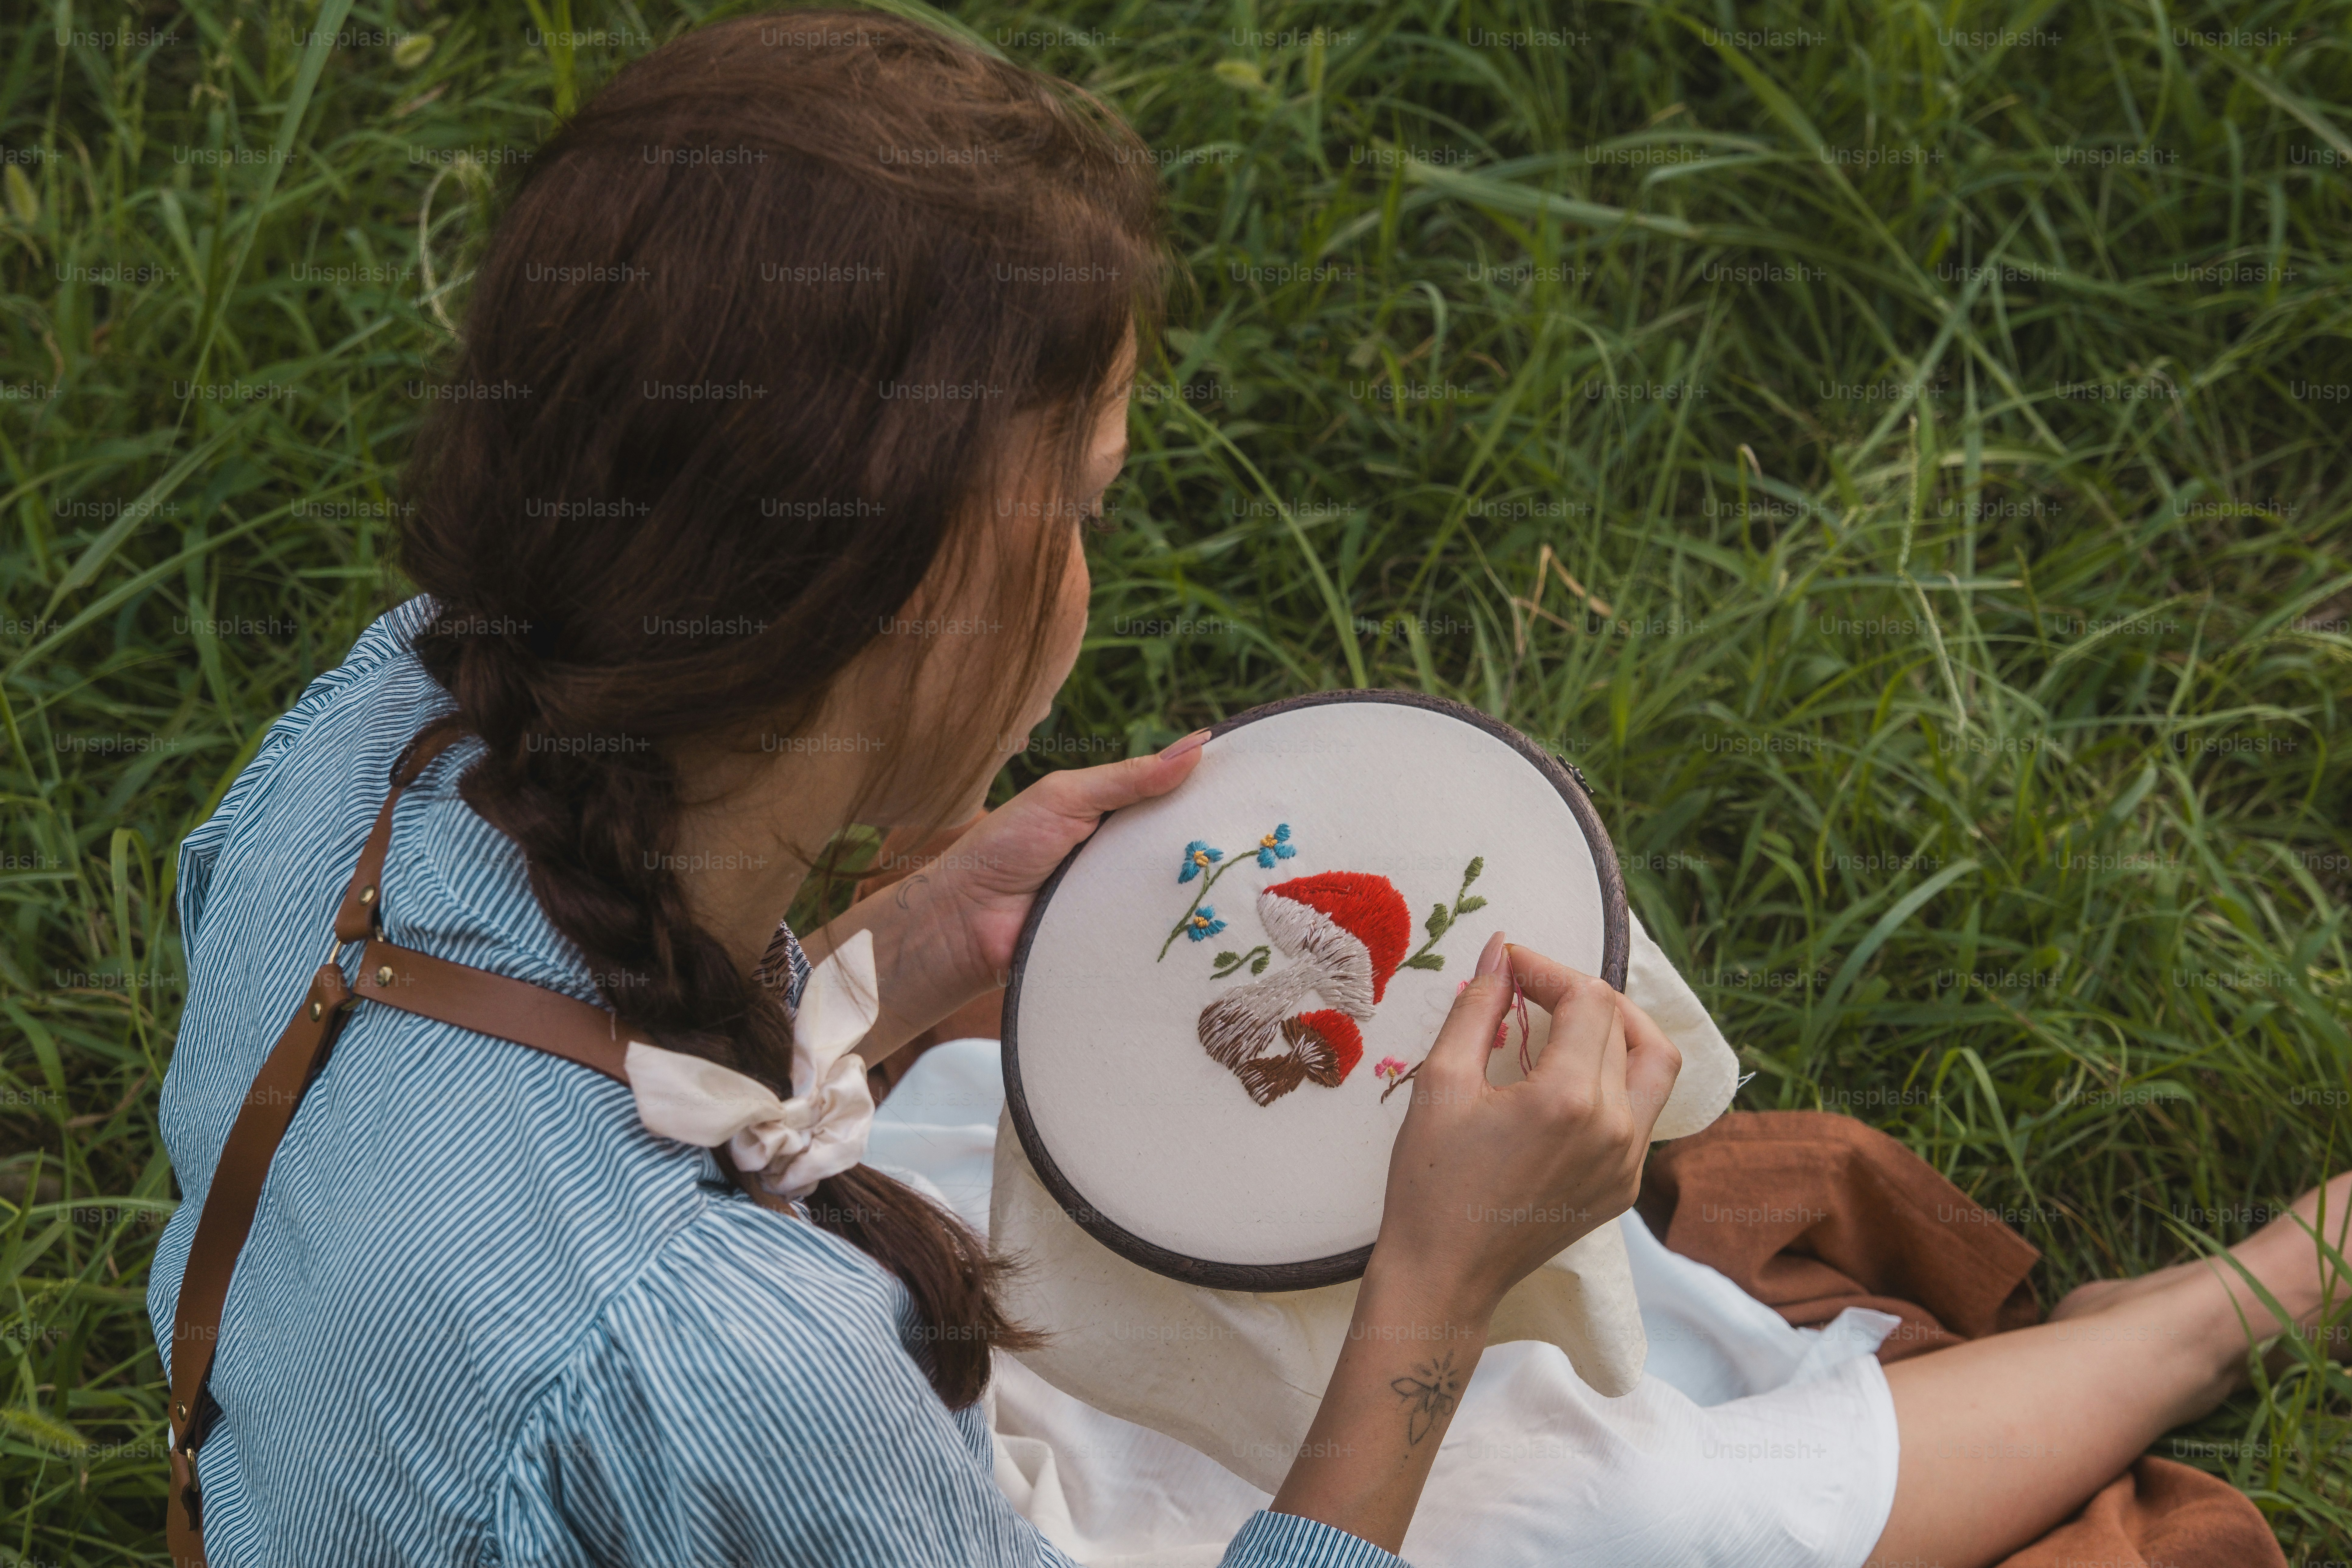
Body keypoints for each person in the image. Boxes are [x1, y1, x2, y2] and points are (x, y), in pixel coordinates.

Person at [149, 11, 2347, 1566]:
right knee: (1613, 1505)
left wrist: (908, 955)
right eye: (1086, 502)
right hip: (726, 1433)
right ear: (913, 587)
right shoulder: (724, 1362)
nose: (1099, 564)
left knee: (1066, 1145)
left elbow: (565, 1125)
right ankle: (2233, 1302)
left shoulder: (385, 734)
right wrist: (1429, 1301)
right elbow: (707, 1358)